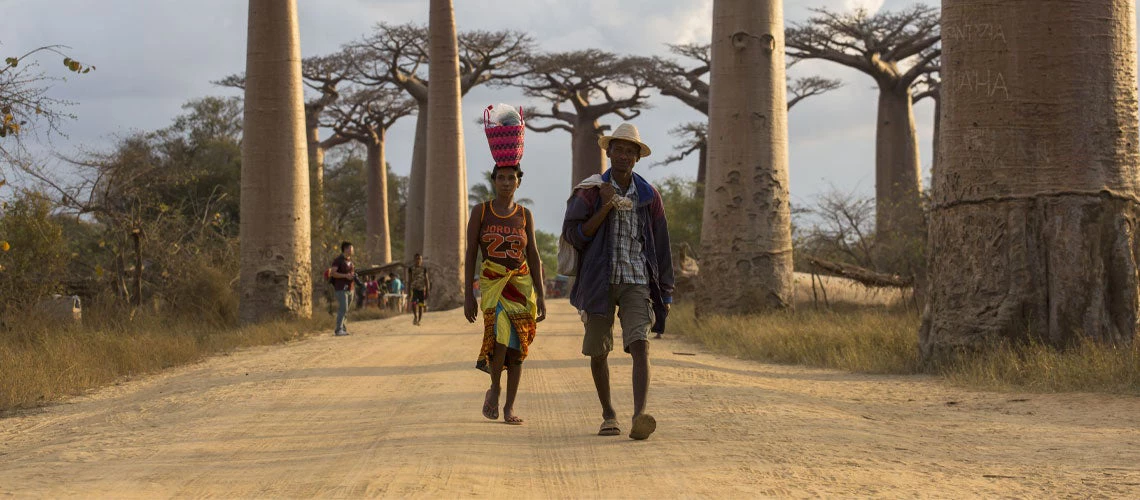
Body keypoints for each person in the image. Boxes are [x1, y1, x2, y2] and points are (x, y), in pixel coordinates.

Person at [561, 122, 674, 440]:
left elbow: (661, 243)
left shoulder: (649, 196)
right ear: (608, 152)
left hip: (637, 278)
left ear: (638, 157)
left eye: (630, 150)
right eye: (619, 149)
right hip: (599, 279)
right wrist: (606, 205)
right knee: (599, 350)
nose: (624, 155)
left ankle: (640, 415)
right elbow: (574, 235)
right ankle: (609, 414)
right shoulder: (590, 191)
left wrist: (665, 290)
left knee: (641, 344)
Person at [465, 102, 545, 426]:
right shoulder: (481, 212)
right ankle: (494, 389)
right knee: (499, 339)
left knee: (518, 349)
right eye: (501, 177)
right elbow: (471, 251)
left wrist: (541, 293)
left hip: (521, 285)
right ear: (493, 180)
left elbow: (535, 255)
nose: (506, 182)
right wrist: (468, 293)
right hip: (493, 283)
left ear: (518, 182)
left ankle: (510, 406)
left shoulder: (524, 215)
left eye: (512, 178)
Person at [327, 241, 356, 336]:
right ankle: (338, 329)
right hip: (341, 288)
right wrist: (345, 276)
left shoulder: (350, 261)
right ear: (345, 249)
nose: (352, 250)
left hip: (350, 288)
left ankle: (343, 328)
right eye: (350, 248)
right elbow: (333, 273)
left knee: (346, 309)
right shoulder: (338, 260)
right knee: (343, 308)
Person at [407, 253, 430, 325]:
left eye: (419, 259)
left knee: (421, 305)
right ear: (414, 260)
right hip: (414, 289)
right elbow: (409, 280)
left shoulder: (424, 269)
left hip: (422, 289)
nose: (418, 260)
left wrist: (427, 290)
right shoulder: (411, 269)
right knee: (414, 303)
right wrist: (409, 291)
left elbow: (426, 280)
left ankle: (419, 320)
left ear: (421, 260)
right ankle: (415, 316)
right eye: (416, 259)